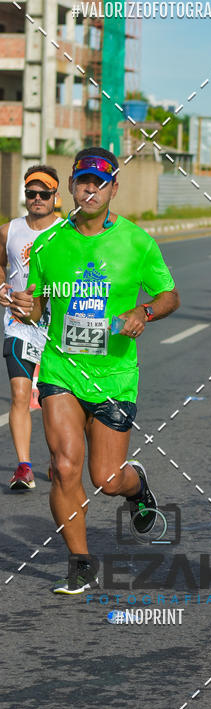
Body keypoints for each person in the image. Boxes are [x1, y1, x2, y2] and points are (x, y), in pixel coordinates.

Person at [9, 147, 180, 594]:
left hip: (114, 376)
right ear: (71, 187)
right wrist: (27, 307)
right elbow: (37, 307)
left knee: (106, 478)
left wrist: (144, 311)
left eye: (100, 182)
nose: (91, 189)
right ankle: (80, 561)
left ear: (114, 189)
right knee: (65, 467)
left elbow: (169, 295)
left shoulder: (137, 241)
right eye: (84, 181)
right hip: (61, 370)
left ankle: (136, 483)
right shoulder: (49, 244)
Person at [0, 165, 61, 490]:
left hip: (55, 329)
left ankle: (56, 460)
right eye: (31, 193)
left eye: (44, 193)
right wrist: (3, 292)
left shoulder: (66, 232)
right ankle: (24, 466)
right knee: (19, 393)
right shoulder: (8, 231)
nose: (37, 199)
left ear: (55, 196)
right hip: (18, 325)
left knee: (55, 398)